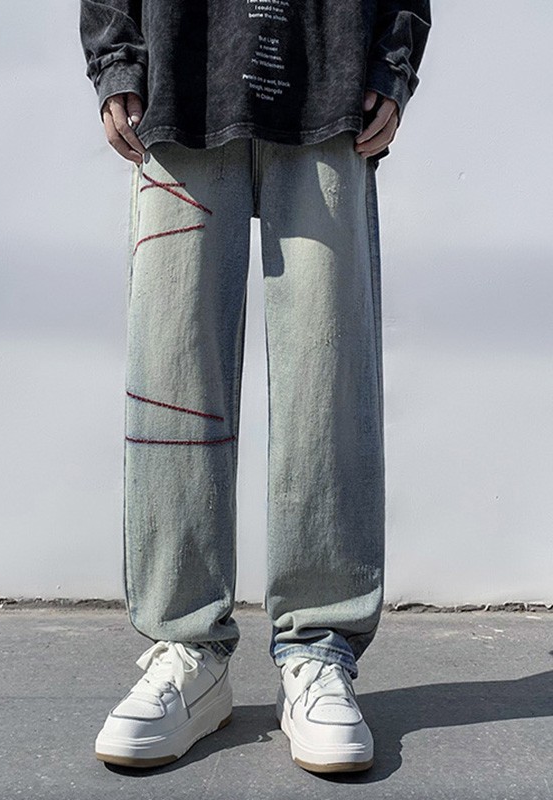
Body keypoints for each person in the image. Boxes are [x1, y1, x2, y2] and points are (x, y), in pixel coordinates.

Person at [79, 0, 430, 774]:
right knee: (172, 370)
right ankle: (187, 650)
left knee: (326, 380)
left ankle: (318, 648)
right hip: (180, 66)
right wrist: (116, 56)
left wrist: (394, 58)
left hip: (331, 62)